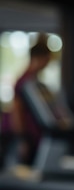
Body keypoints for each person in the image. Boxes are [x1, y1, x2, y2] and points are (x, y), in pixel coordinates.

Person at [0, 33, 52, 166]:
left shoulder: (36, 83)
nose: (47, 64)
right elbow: (16, 111)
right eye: (47, 60)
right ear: (38, 58)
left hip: (35, 136)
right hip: (24, 137)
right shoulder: (24, 82)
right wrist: (22, 140)